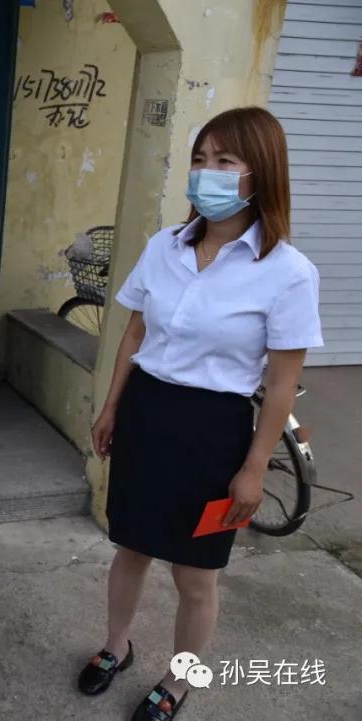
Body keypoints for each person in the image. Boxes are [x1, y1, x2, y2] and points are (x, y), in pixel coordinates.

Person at [78, 106, 323, 721]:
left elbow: (283, 384)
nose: (205, 173)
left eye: (224, 161)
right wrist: (111, 407)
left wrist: (255, 466)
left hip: (214, 432)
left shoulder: (288, 273)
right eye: (200, 159)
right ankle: (115, 647)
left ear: (259, 174)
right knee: (129, 547)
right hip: (146, 414)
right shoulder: (165, 246)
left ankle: (180, 681)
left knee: (196, 574)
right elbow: (133, 335)